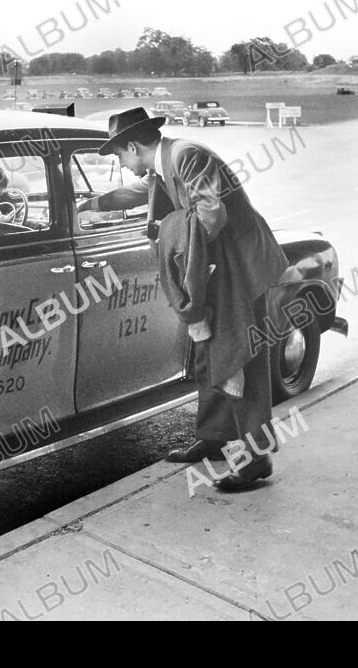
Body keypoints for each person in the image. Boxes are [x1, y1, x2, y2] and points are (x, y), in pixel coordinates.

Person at [78, 108, 289, 490]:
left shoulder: (186, 155)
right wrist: (93, 204)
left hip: (243, 267)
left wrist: (186, 262)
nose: (122, 166)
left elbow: (211, 212)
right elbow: (141, 192)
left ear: (133, 146)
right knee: (209, 353)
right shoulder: (162, 165)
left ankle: (258, 459)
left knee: (242, 356)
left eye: (120, 157)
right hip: (219, 267)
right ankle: (215, 435)